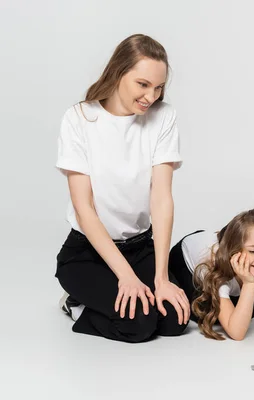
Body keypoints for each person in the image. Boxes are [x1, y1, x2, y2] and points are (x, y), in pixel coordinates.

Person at [55, 34, 190, 343]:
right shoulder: (78, 119)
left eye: (158, 87)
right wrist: (126, 278)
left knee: (173, 320)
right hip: (88, 253)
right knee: (140, 325)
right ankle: (74, 303)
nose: (151, 97)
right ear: (118, 73)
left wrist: (160, 277)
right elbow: (84, 208)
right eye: (142, 84)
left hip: (139, 247)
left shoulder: (163, 117)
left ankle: (128, 290)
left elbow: (161, 198)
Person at [168, 208, 254, 340]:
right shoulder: (216, 267)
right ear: (234, 252)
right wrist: (249, 283)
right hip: (184, 266)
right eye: (253, 251)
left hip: (220, 245)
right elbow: (237, 333)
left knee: (252, 307)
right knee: (207, 310)